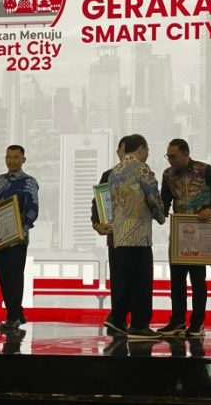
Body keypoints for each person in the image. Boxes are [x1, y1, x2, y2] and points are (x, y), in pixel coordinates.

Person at [158, 138, 211, 338]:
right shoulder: (167, 174)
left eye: (174, 156)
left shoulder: (204, 170)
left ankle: (197, 324)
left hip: (200, 231)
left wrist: (210, 208)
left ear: (185, 154)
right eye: (168, 157)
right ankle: (177, 321)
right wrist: (159, 212)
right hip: (179, 233)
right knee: (177, 280)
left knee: (198, 280)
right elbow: (165, 200)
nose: (170, 160)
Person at [107, 134, 165, 340]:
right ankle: (140, 326)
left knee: (125, 282)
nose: (147, 154)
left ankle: (119, 319)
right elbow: (153, 197)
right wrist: (160, 216)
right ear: (140, 148)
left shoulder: (114, 172)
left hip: (119, 236)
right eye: (147, 150)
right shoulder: (142, 169)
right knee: (141, 283)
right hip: (138, 236)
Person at [0, 145, 39, 332]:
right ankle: (16, 313)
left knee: (14, 277)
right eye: (9, 157)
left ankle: (12, 317)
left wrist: (23, 228)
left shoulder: (29, 182)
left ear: (23, 160)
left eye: (16, 157)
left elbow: (33, 209)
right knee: (4, 278)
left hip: (18, 237)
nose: (12, 161)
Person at [91, 135, 129, 334]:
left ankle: (123, 319)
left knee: (134, 282)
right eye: (124, 151)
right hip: (115, 237)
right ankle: (118, 319)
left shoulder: (143, 176)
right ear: (118, 153)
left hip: (138, 238)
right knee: (118, 280)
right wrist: (97, 223)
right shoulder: (109, 175)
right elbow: (97, 202)